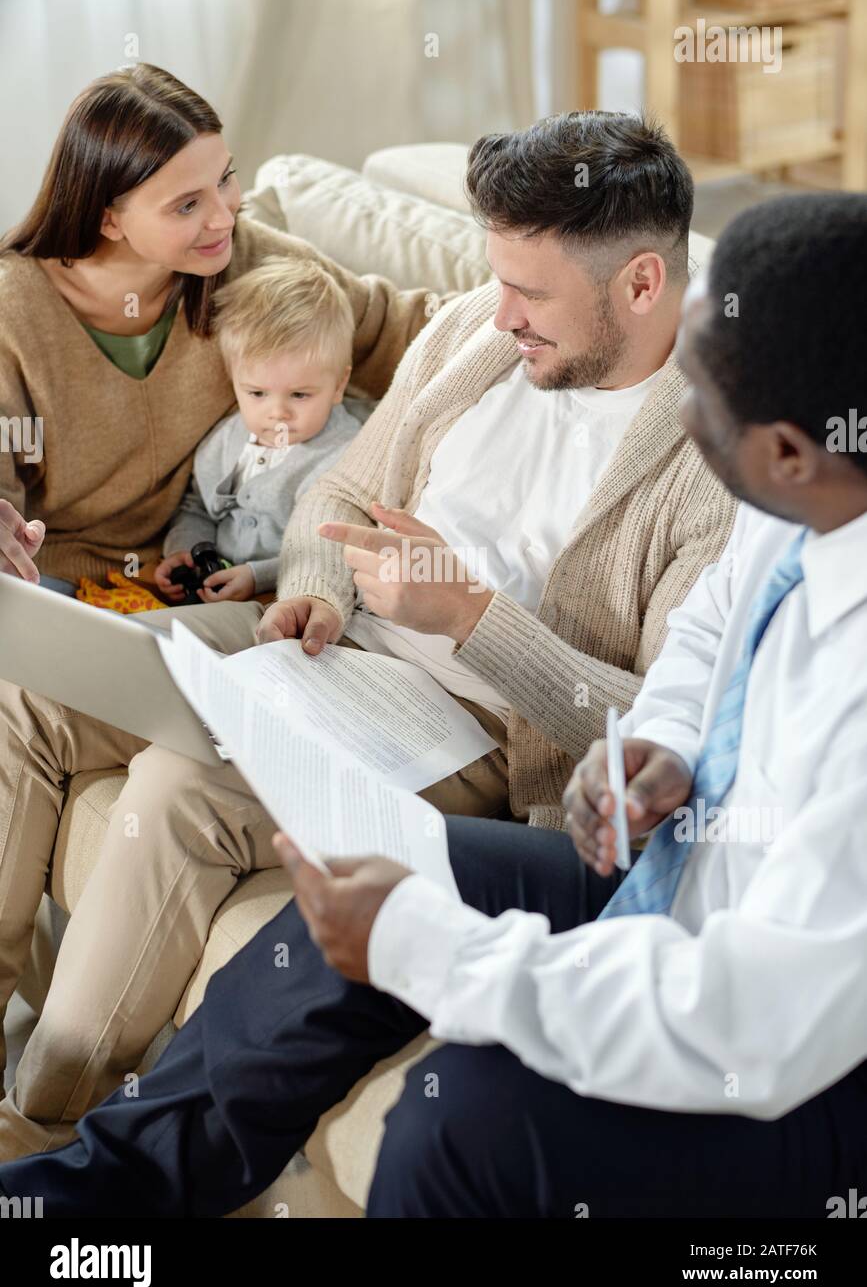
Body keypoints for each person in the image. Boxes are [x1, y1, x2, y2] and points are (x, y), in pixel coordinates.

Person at [2, 190, 865, 1218]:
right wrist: (667, 743)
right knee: (363, 889)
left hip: (799, 1050)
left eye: (706, 405)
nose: (683, 409)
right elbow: (713, 628)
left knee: (453, 1126)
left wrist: (424, 942)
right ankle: (80, 1202)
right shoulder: (801, 493)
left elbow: (755, 1022)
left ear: (785, 454)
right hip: (682, 871)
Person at [0, 62, 432, 594]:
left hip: (205, 568)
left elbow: (396, 326)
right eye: (187, 205)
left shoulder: (244, 256)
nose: (225, 216)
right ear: (108, 218)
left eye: (224, 178)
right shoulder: (11, 313)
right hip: (61, 581)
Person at [154, 258, 361, 605]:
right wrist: (184, 552)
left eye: (299, 395)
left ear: (339, 386)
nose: (277, 412)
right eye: (256, 393)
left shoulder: (343, 456)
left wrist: (257, 577)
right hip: (212, 588)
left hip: (289, 597)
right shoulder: (227, 439)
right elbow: (197, 508)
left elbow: (333, 550)